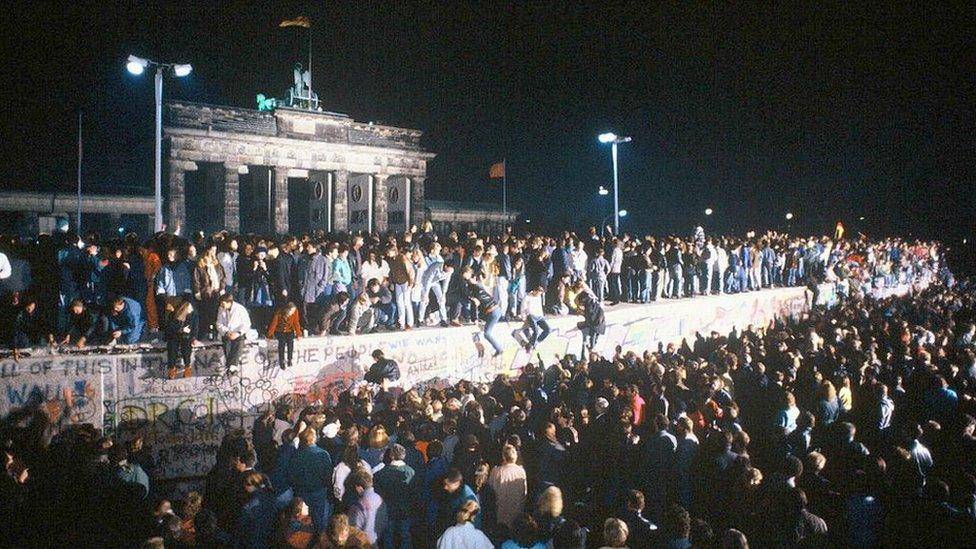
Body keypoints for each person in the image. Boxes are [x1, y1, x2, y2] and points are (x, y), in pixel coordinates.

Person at [289, 428, 334, 532]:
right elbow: (328, 476)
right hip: (319, 493)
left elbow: (292, 475)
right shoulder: (323, 454)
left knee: (301, 522)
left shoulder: (296, 455)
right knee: (319, 523)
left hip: (302, 493)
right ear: (314, 438)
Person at [373, 443, 416, 549]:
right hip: (405, 510)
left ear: (391, 456)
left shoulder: (380, 474)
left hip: (388, 510)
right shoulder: (411, 472)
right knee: (405, 536)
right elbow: (414, 493)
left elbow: (377, 494)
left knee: (388, 537)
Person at [461, 266, 504, 357]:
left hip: (493, 311)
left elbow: (475, 303)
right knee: (481, 327)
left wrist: (475, 319)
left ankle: (499, 349)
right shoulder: (475, 286)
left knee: (487, 334)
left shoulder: (477, 287)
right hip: (492, 311)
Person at [488, 443, 528, 530]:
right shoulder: (521, 471)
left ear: (503, 456)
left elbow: (490, 490)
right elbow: (524, 493)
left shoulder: (496, 471)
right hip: (517, 510)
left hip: (500, 511)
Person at [346, 468, 388, 546]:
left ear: (358, 487)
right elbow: (384, 521)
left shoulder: (358, 505)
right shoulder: (380, 499)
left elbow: (353, 529)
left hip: (361, 544)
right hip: (375, 541)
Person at [215, 293, 251, 375]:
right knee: (227, 344)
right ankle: (231, 367)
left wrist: (237, 333)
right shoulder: (221, 309)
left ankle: (233, 366)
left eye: (223, 303)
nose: (221, 305)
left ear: (229, 302)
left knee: (239, 344)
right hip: (227, 333)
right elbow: (219, 323)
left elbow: (247, 324)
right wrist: (226, 332)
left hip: (238, 333)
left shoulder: (240, 309)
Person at [163, 298, 197, 379]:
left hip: (186, 336)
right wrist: (180, 329)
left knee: (186, 348)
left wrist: (194, 337)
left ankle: (187, 367)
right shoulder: (174, 314)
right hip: (175, 334)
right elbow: (169, 327)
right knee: (172, 347)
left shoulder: (193, 314)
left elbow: (195, 326)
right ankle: (172, 368)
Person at [512, 286, 549, 351]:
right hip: (531, 316)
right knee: (536, 331)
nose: (538, 295)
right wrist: (524, 318)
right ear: (534, 291)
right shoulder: (527, 297)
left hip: (539, 316)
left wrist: (542, 316)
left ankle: (536, 341)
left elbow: (539, 307)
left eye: (539, 294)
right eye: (537, 293)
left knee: (547, 329)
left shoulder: (539, 297)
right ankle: (531, 345)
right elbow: (523, 308)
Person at [267, 302, 302, 370]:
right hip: (280, 330)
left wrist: (298, 334)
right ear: (287, 310)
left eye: (293, 311)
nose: (292, 313)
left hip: (289, 330)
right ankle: (281, 360)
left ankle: (289, 359)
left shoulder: (295, 312)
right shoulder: (279, 312)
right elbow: (274, 324)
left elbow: (296, 323)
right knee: (282, 342)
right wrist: (269, 335)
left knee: (290, 342)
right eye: (291, 311)